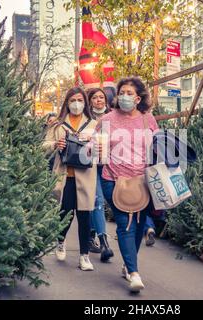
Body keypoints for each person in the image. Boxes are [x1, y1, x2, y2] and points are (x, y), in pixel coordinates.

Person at [97, 77, 159, 292]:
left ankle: (127, 264)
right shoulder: (106, 119)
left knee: (140, 225)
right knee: (125, 224)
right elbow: (96, 149)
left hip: (142, 181)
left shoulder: (148, 119)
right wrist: (95, 149)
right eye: (121, 92)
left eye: (129, 93)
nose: (124, 96)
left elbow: (157, 147)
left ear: (138, 98)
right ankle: (134, 273)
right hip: (113, 179)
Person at [43, 87, 98, 271]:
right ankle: (60, 241)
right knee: (65, 213)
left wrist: (93, 146)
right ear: (67, 102)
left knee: (84, 215)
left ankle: (84, 256)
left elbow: (102, 152)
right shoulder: (58, 125)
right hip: (65, 175)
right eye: (73, 100)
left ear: (85, 103)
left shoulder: (93, 124)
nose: (77, 104)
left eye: (80, 100)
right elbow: (44, 145)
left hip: (85, 177)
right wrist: (55, 144)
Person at [86, 88, 114, 262]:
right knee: (97, 201)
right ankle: (104, 242)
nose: (98, 100)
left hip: (110, 165)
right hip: (91, 165)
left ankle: (89, 235)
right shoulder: (87, 120)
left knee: (99, 201)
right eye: (95, 97)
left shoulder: (113, 118)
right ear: (90, 101)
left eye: (101, 97)